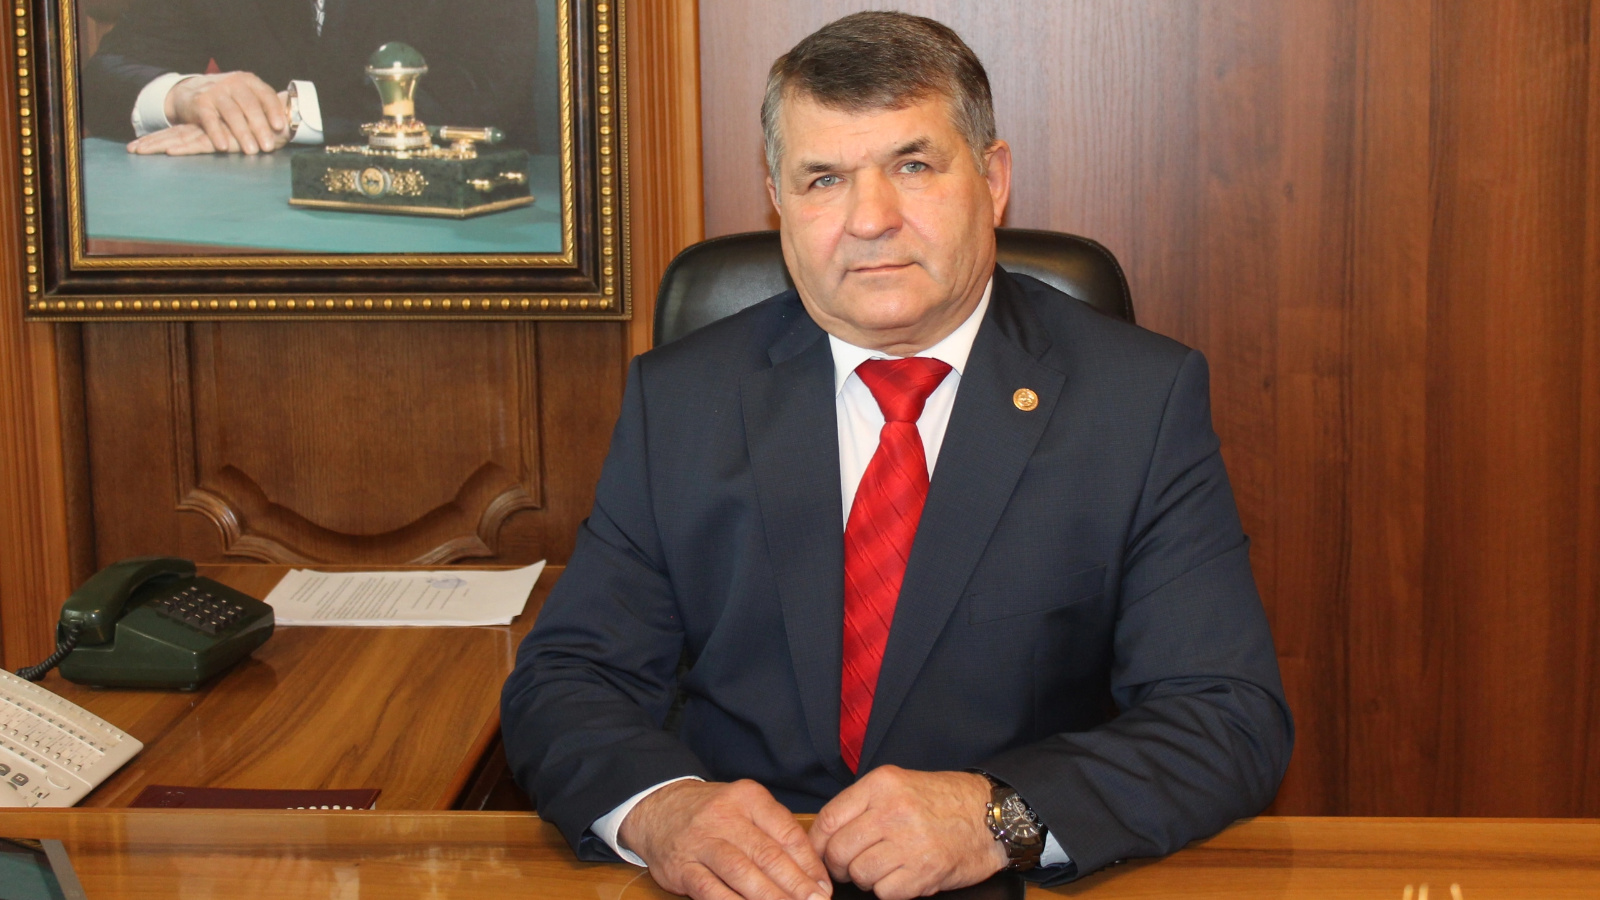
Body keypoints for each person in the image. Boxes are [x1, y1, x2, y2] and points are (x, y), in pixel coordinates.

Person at [501, 11, 1292, 900]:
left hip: (1005, 880)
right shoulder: (681, 399)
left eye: (913, 166)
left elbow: (1225, 718)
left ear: (993, 180)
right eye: (824, 179)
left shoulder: (1135, 402)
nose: (871, 220)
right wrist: (664, 811)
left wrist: (1000, 819)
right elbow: (567, 682)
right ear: (778, 199)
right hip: (743, 883)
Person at [79, 0, 538, 155]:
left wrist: (288, 114)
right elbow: (105, 74)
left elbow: (486, 90)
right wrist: (181, 95)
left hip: (454, 231)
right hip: (257, 224)